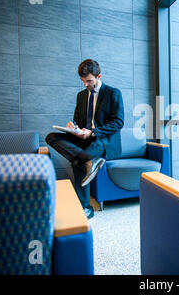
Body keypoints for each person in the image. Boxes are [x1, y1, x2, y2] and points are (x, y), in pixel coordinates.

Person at [46, 59, 124, 219]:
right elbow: (78, 120)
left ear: (99, 76)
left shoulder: (113, 93)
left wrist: (93, 132)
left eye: (89, 80)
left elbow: (119, 122)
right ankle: (88, 160)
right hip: (83, 139)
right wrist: (73, 127)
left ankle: (85, 207)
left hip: (103, 140)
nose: (85, 84)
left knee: (78, 160)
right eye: (83, 81)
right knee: (51, 137)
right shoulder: (81, 96)